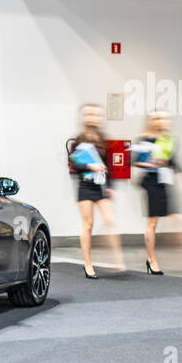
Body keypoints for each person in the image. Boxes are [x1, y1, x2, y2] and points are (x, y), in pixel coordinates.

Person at [133, 111, 182, 274]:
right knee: (152, 223)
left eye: (164, 118)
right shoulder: (144, 139)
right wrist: (150, 164)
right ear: (151, 121)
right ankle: (151, 260)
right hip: (151, 184)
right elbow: (134, 161)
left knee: (178, 219)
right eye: (157, 118)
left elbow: (175, 163)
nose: (161, 121)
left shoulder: (169, 140)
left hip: (164, 184)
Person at [67, 104, 124, 279]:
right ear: (84, 117)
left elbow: (109, 167)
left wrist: (110, 187)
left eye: (96, 115)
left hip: (100, 186)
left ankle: (117, 258)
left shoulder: (103, 140)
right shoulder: (77, 140)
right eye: (89, 114)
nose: (93, 117)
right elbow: (73, 165)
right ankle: (88, 263)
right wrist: (89, 166)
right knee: (88, 224)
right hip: (85, 186)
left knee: (110, 219)